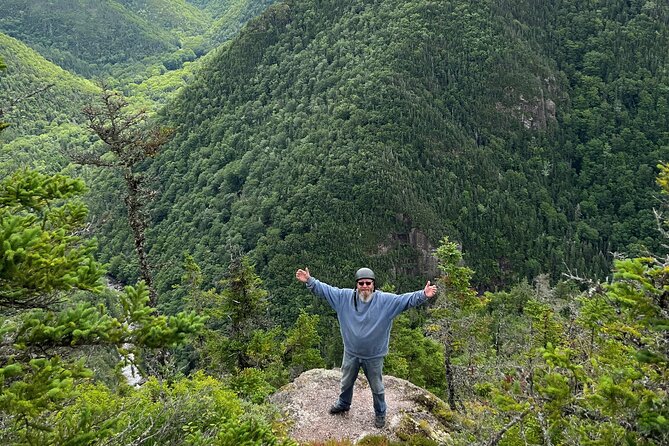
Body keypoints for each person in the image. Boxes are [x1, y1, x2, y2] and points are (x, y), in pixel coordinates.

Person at [295, 266, 437, 428]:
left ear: (373, 284)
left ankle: (380, 413)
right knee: (346, 381)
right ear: (356, 285)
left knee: (377, 387)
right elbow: (326, 290)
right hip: (351, 353)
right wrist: (310, 281)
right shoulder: (343, 298)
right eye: (361, 283)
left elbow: (405, 300)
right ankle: (344, 403)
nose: (364, 286)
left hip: (374, 356)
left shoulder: (385, 301)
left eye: (368, 283)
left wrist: (423, 295)